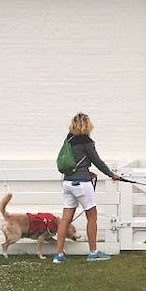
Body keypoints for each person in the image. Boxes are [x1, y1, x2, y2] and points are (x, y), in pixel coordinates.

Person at [53, 112, 122, 263]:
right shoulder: (87, 141)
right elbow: (97, 161)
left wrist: (85, 170)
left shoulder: (68, 139)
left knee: (65, 219)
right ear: (87, 125)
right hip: (82, 184)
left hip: (67, 183)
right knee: (92, 217)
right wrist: (111, 174)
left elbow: (73, 160)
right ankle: (93, 252)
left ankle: (59, 255)